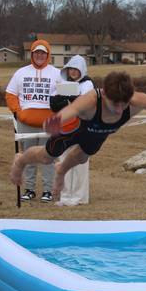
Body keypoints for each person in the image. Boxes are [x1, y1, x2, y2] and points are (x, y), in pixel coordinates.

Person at [10, 71, 146, 197]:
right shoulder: (92, 100)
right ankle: (21, 160)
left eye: (123, 104)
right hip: (76, 129)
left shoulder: (136, 100)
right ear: (104, 93)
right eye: (114, 103)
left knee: (82, 156)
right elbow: (72, 110)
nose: (118, 109)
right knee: (47, 156)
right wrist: (57, 121)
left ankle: (61, 171)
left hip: (97, 135)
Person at [5, 40, 62, 203]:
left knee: (48, 157)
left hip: (49, 123)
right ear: (32, 54)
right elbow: (10, 94)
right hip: (26, 122)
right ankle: (29, 189)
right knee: (28, 156)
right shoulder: (21, 72)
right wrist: (17, 111)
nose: (39, 55)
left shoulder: (57, 74)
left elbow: (67, 95)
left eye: (43, 53)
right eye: (36, 52)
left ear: (48, 54)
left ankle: (48, 190)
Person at [51, 55, 94, 206]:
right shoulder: (62, 83)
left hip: (82, 129)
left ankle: (79, 197)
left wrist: (70, 99)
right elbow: (54, 103)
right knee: (64, 162)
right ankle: (66, 196)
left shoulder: (88, 84)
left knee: (80, 164)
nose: (73, 72)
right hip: (65, 128)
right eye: (71, 69)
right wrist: (67, 99)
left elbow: (85, 105)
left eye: (76, 69)